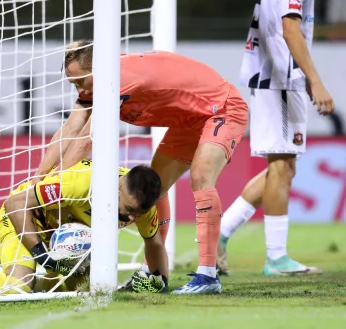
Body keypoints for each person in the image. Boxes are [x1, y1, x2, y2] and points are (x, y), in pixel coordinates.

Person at [32, 41, 249, 294]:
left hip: (222, 107)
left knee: (201, 177)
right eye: (74, 84)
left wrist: (56, 181)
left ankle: (208, 275)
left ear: (97, 70)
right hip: (187, 120)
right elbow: (69, 129)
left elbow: (86, 139)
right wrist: (40, 177)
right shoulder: (100, 78)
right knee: (152, 190)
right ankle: (153, 276)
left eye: (81, 81)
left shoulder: (121, 80)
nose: (79, 89)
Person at [0, 159, 168, 298]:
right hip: (23, 219)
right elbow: (15, 204)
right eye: (129, 211)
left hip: (63, 234)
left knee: (84, 291)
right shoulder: (79, 184)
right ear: (118, 187)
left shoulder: (142, 206)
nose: (132, 220)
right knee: (18, 288)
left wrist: (162, 281)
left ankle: (41, 282)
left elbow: (154, 243)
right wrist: (42, 254)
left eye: (139, 213)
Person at [216, 0, 335, 276]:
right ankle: (277, 258)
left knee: (283, 167)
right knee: (282, 167)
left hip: (277, 74)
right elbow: (289, 27)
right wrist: (315, 80)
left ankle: (217, 233)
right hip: (279, 76)